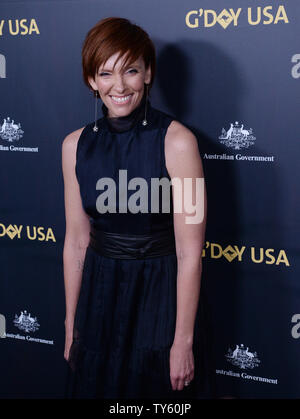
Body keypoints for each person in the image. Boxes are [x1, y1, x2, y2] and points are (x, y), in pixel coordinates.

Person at [62, 16, 212, 399]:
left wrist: (182, 340)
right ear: (91, 81)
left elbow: (189, 253)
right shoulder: (74, 146)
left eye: (131, 70)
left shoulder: (179, 143)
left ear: (148, 74)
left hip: (159, 295)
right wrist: (70, 322)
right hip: (99, 295)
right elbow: (77, 242)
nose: (120, 85)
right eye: (106, 73)